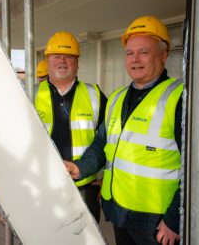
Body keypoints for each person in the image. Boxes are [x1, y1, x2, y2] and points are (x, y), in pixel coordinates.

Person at [66, 16, 182, 245]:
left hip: (157, 222)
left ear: (163, 54)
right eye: (130, 53)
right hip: (119, 211)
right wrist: (80, 167)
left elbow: (194, 168)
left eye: (144, 52)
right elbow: (102, 144)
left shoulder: (179, 98)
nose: (135, 60)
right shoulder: (117, 98)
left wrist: (174, 219)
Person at [35, 31, 107, 222]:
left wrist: (97, 173)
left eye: (68, 57)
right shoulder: (28, 95)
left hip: (84, 185)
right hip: (41, 184)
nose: (62, 61)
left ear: (77, 62)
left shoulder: (96, 95)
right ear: (48, 60)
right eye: (56, 56)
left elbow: (107, 141)